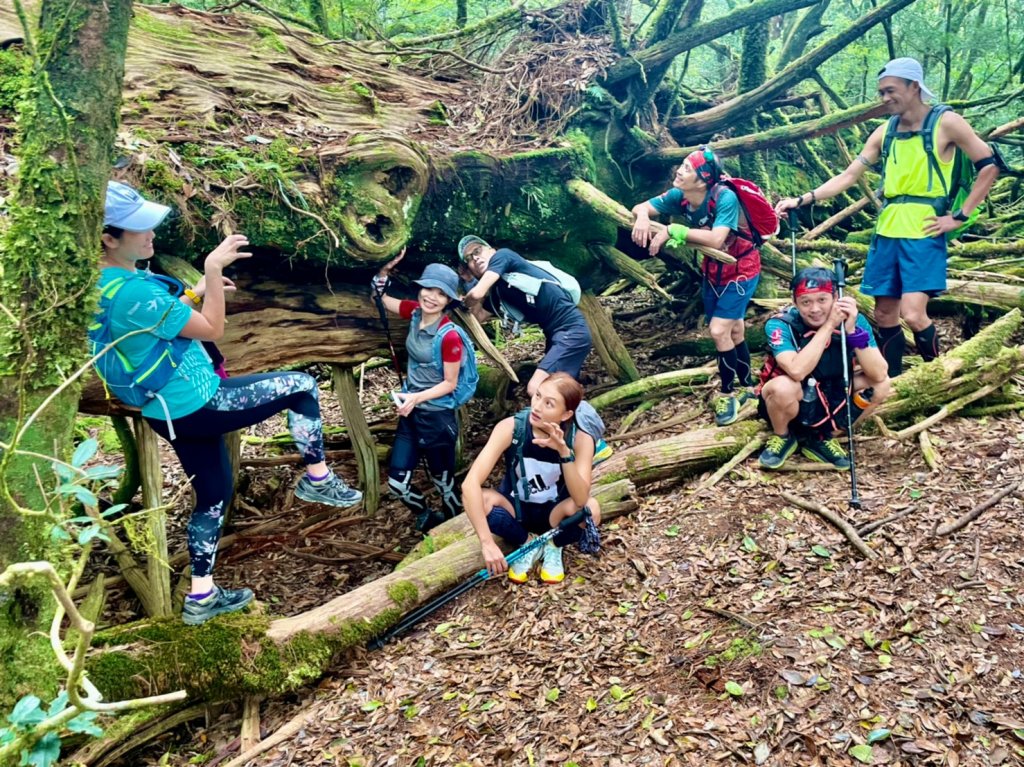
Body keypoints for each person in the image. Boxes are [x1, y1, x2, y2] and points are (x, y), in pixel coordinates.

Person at [96, 180, 362, 625]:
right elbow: (212, 328)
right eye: (139, 229)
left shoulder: (106, 284)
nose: (151, 234)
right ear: (108, 237)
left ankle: (201, 595)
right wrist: (213, 272)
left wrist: (198, 288)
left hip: (165, 412)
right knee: (301, 387)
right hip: (201, 402)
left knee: (213, 494)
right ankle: (317, 477)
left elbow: (162, 325)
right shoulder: (134, 291)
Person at [775, 57, 999, 377]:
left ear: (914, 86)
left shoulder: (946, 122)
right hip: (889, 227)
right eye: (880, 92)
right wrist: (803, 198)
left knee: (913, 312)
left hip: (925, 227)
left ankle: (937, 374)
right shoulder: (884, 131)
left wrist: (959, 217)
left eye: (890, 90)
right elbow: (849, 175)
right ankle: (890, 382)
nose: (884, 98)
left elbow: (989, 165)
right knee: (884, 313)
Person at [631, 147, 762, 427]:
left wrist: (673, 230)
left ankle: (728, 393)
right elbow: (642, 206)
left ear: (703, 180)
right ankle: (749, 389)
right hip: (713, 272)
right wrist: (643, 217)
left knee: (718, 330)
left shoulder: (724, 197)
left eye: (688, 168)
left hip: (740, 272)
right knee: (735, 329)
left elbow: (716, 239)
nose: (679, 171)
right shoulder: (680, 196)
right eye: (682, 164)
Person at [461, 373, 601, 584]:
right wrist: (486, 542)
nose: (537, 407)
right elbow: (469, 483)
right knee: (478, 498)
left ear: (565, 414)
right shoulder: (511, 428)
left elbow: (581, 499)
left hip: (556, 514)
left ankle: (554, 545)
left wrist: (564, 452)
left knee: (591, 509)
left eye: (549, 404)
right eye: (537, 396)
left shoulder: (580, 438)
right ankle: (527, 543)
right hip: (516, 509)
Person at [371, 251, 472, 533]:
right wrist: (383, 271)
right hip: (411, 413)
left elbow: (450, 384)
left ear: (449, 300)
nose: (432, 297)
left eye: (441, 294)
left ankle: (456, 523)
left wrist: (416, 397)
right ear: (421, 289)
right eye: (429, 288)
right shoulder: (414, 313)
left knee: (443, 482)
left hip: (437, 417)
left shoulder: (449, 335)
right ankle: (427, 515)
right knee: (397, 482)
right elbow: (379, 299)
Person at [756, 267, 891, 470]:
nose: (815, 309)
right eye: (806, 302)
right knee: (782, 387)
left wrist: (852, 331)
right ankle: (783, 436)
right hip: (795, 396)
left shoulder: (854, 319)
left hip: (833, 392)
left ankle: (826, 437)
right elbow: (796, 370)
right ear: (794, 302)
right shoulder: (780, 325)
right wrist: (829, 326)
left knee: (881, 385)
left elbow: (879, 373)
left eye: (822, 300)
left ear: (835, 297)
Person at [458, 236, 592, 396]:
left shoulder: (504, 255)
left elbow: (477, 293)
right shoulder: (498, 293)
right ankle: (577, 419)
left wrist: (468, 294)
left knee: (537, 388)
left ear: (491, 249)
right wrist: (468, 281)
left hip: (572, 331)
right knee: (561, 394)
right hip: (555, 336)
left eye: (477, 250)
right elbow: (476, 317)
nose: (476, 258)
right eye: (469, 259)